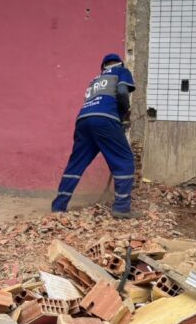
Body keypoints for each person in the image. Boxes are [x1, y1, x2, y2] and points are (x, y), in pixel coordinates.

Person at [51, 53, 136, 218]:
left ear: (103, 67)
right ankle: (122, 209)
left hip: (83, 121)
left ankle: (58, 206)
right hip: (104, 120)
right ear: (120, 63)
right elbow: (122, 92)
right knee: (124, 160)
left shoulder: (94, 80)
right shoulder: (120, 71)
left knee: (76, 163)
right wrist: (124, 113)